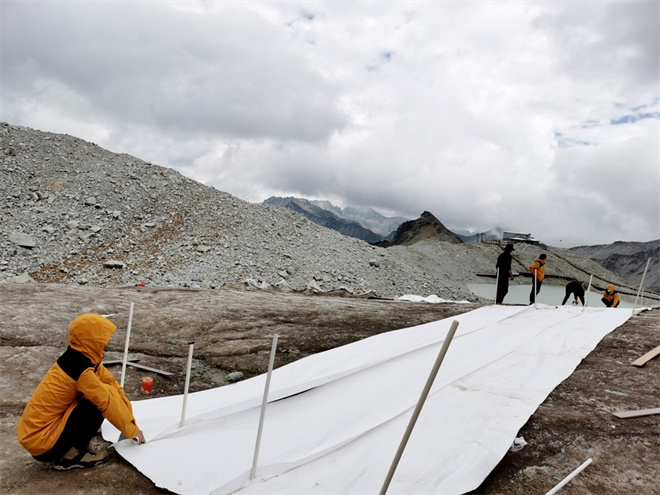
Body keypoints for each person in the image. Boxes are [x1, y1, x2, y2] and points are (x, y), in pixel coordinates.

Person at [17, 313, 146, 470]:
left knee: (104, 391)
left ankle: (69, 446)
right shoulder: (82, 370)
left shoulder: (78, 357)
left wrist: (130, 420)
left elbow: (112, 385)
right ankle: (71, 456)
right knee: (95, 403)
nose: (106, 342)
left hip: (35, 436)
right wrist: (133, 431)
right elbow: (107, 401)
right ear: (91, 339)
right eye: (102, 338)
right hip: (43, 443)